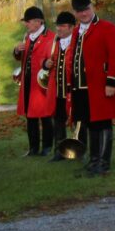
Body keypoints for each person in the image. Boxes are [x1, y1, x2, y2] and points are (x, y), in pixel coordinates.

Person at [64, 0, 115, 176]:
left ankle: (104, 162)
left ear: (92, 7)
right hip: (81, 88)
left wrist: (112, 81)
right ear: (75, 13)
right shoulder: (76, 31)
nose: (84, 13)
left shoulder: (106, 28)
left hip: (100, 86)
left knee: (103, 124)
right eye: (80, 11)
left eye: (86, 9)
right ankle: (93, 160)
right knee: (89, 124)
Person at [13, 6, 55, 156]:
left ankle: (47, 146)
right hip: (28, 82)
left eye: (28, 21)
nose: (26, 24)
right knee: (30, 116)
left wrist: (45, 64)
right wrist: (17, 51)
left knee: (45, 116)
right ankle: (33, 148)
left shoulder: (50, 37)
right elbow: (22, 58)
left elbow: (52, 59)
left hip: (42, 83)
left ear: (38, 22)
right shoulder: (27, 37)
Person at [47, 11, 76, 162]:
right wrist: (46, 64)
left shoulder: (77, 43)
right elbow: (46, 61)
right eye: (57, 26)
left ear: (71, 27)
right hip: (58, 92)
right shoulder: (55, 43)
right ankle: (59, 151)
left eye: (62, 26)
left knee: (77, 122)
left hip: (73, 91)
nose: (59, 29)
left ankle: (78, 150)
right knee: (58, 122)